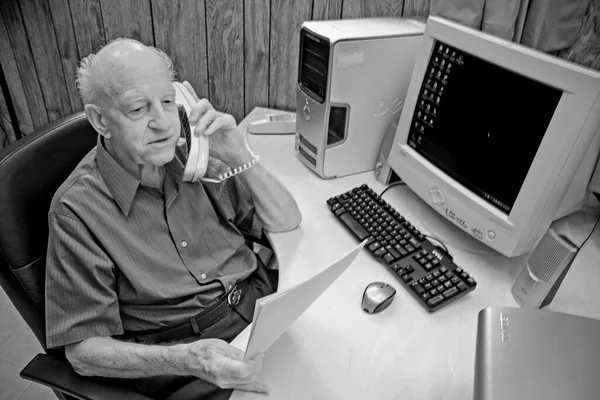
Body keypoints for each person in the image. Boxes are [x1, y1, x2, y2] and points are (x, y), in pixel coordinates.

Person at [44, 38, 302, 400]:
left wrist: (237, 151)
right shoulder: (77, 211)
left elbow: (286, 220)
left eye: (168, 101)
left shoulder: (193, 158)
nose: (164, 123)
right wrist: (188, 359)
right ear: (100, 120)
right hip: (187, 359)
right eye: (138, 109)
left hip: (261, 309)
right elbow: (83, 353)